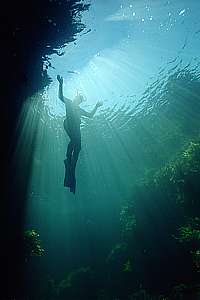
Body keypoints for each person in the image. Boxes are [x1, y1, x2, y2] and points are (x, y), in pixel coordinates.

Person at [57, 75, 103, 194]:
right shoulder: (69, 103)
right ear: (75, 98)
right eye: (78, 98)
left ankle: (72, 166)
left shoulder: (79, 109)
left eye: (80, 100)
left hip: (76, 131)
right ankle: (68, 158)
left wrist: (96, 106)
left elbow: (90, 115)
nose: (78, 100)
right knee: (74, 140)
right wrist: (61, 83)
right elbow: (60, 96)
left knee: (78, 147)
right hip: (69, 126)